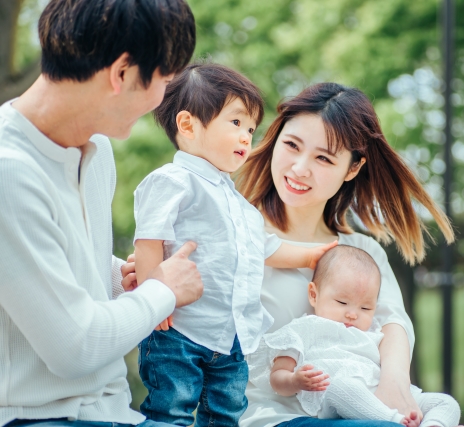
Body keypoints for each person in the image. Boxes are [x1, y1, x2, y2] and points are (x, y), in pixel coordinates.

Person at [0, 1, 200, 426]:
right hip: (32, 418)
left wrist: (118, 278)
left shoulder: (95, 151)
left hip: (114, 412)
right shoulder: (0, 172)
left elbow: (60, 265)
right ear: (121, 73)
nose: (162, 100)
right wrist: (163, 290)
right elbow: (74, 346)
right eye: (164, 81)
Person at [234, 82, 458, 427]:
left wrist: (394, 383)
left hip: (359, 410)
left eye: (323, 157)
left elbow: (394, 323)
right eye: (292, 145)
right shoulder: (234, 232)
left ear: (352, 169)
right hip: (267, 417)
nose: (299, 168)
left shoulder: (362, 252)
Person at [133, 63, 336, 427]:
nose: (247, 137)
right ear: (188, 125)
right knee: (170, 411)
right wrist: (153, 297)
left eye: (251, 129)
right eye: (236, 123)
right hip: (179, 329)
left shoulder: (238, 203)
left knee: (226, 416)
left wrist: (312, 254)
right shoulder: (173, 181)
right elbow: (149, 240)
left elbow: (267, 249)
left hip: (230, 339)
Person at [248, 245, 460, 427]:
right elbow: (277, 377)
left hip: (382, 393)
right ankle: (394, 421)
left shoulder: (373, 333)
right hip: (336, 395)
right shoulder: (304, 329)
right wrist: (295, 380)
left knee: (445, 403)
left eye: (366, 308)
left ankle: (433, 424)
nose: (352, 313)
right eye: (342, 302)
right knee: (342, 386)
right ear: (314, 294)